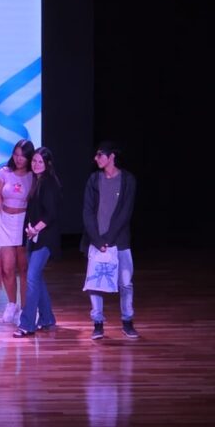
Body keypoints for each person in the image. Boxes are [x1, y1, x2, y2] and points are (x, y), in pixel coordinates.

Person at [82, 141, 138, 340]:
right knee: (95, 283)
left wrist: (109, 239)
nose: (96, 158)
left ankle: (127, 321)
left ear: (111, 156)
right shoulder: (94, 179)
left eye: (100, 155)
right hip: (97, 241)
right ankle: (97, 323)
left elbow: (125, 213)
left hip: (120, 241)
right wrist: (98, 241)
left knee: (126, 283)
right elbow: (87, 211)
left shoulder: (128, 180)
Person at [14, 147, 62, 337]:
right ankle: (47, 318)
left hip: (45, 238)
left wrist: (35, 229)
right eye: (34, 161)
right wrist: (30, 230)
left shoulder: (48, 183)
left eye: (40, 161)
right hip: (34, 237)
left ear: (47, 164)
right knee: (36, 278)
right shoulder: (38, 180)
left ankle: (27, 324)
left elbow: (51, 214)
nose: (36, 164)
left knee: (32, 278)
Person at [0, 139, 35, 322]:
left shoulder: (33, 175)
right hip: (5, 222)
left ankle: (25, 307)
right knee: (7, 268)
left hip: (24, 223)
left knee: (23, 268)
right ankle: (11, 304)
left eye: (23, 156)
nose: (18, 159)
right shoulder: (3, 173)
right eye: (16, 154)